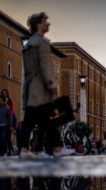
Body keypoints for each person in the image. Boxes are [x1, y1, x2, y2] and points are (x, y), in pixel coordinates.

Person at [20, 12, 74, 159]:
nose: (48, 24)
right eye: (45, 22)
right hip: (41, 88)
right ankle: (56, 148)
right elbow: (44, 66)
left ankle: (25, 149)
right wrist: (51, 83)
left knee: (30, 120)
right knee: (51, 117)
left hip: (31, 86)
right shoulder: (42, 43)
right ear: (38, 25)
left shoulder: (28, 44)